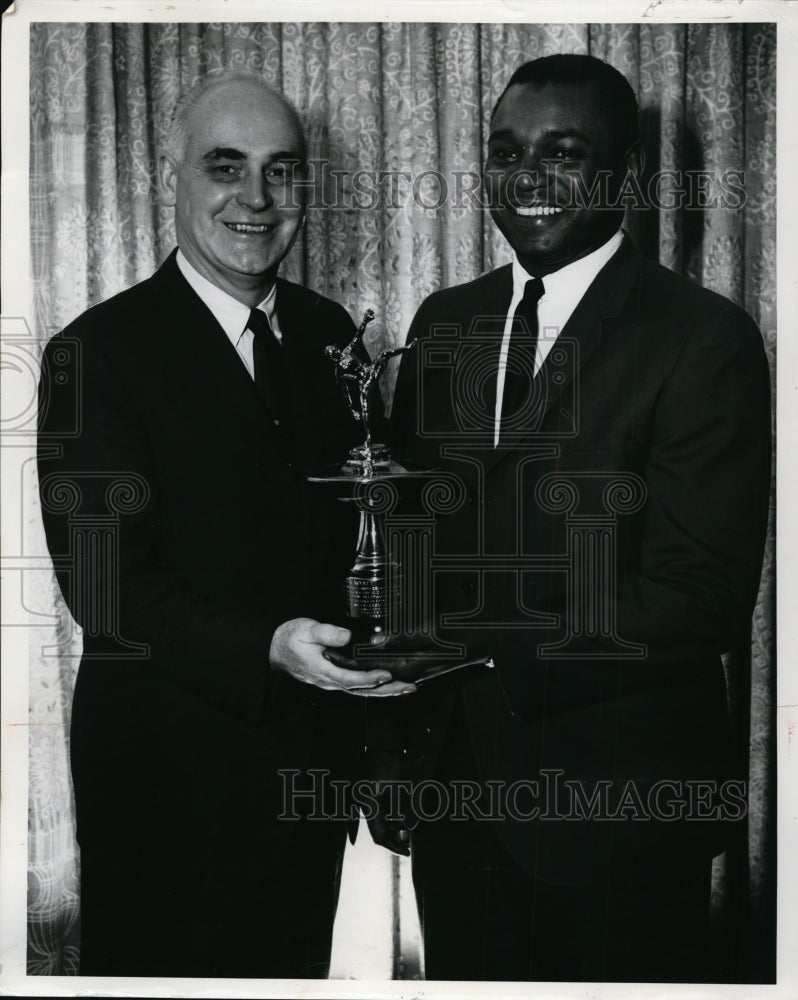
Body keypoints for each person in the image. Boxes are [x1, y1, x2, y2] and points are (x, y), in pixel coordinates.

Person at [363, 54, 771, 982]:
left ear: (626, 175)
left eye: (563, 151)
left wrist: (482, 647)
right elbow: (408, 549)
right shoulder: (445, 322)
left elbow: (699, 595)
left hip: (621, 811)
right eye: (506, 152)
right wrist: (388, 746)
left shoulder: (702, 337)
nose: (527, 178)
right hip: (451, 794)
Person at [36, 71, 415, 979]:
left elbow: (362, 534)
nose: (256, 199)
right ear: (171, 178)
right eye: (225, 166)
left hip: (308, 771)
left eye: (281, 172)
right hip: (168, 780)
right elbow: (106, 589)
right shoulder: (96, 353)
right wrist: (267, 647)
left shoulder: (331, 335)